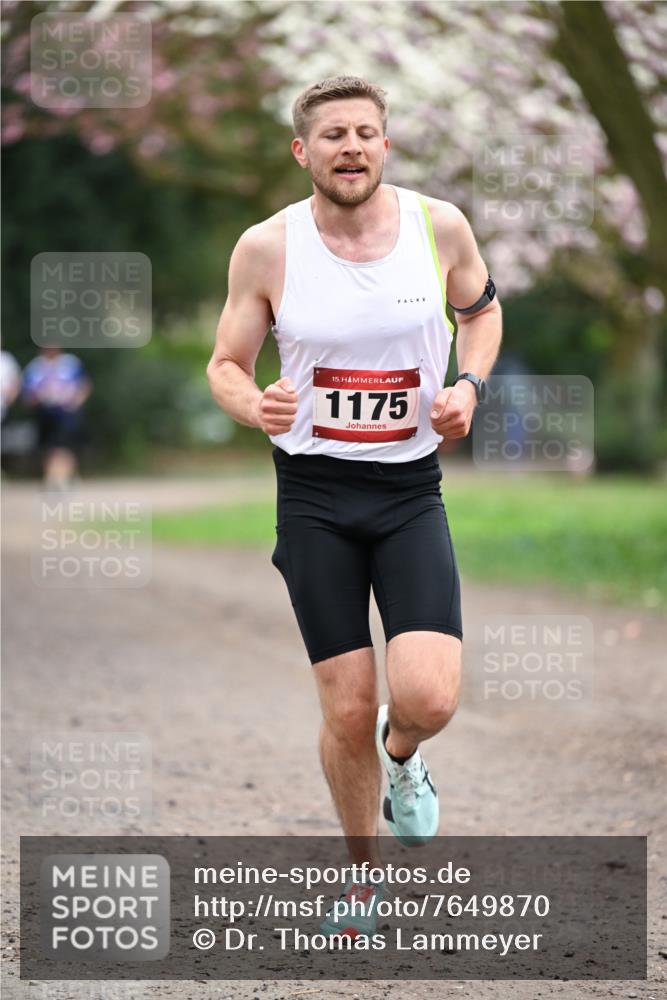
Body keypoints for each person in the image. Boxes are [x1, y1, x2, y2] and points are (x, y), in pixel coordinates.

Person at [207, 76, 502, 937]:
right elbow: (226, 362)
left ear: (385, 145)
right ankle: (363, 880)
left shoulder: (436, 225)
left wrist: (469, 385)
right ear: (303, 152)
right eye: (332, 134)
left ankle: (402, 753)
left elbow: (480, 314)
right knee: (342, 705)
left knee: (429, 698)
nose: (351, 147)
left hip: (409, 490)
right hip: (314, 496)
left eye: (366, 133)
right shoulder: (267, 248)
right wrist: (249, 403)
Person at [22, 347, 91, 488]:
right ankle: (56, 477)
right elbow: (27, 396)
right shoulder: (35, 367)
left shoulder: (70, 362)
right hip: (45, 413)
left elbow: (85, 384)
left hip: (67, 412)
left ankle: (59, 477)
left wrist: (76, 402)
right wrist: (38, 397)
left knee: (64, 446)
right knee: (49, 447)